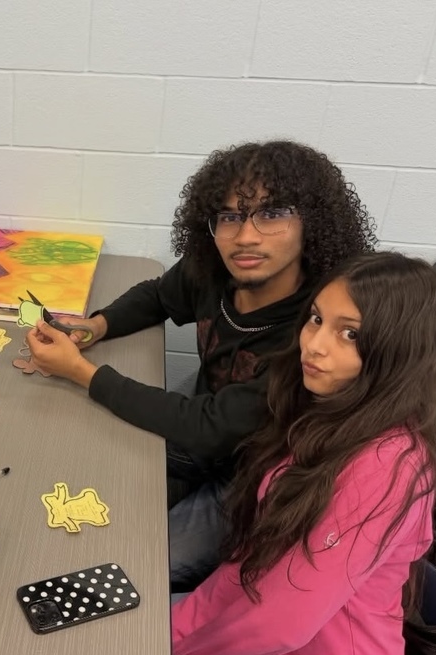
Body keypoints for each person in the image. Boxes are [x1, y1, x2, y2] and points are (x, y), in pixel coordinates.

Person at [55, 252, 436, 655]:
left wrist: (166, 641)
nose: (315, 345)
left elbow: (279, 619)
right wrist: (172, 622)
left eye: (348, 333)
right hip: (278, 643)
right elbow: (253, 562)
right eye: (316, 320)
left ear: (397, 350)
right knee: (100, 628)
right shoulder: (327, 408)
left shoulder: (385, 466)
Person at [26, 140, 377, 586]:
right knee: (85, 485)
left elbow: (208, 426)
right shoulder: (215, 267)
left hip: (252, 480)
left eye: (271, 214)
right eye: (230, 216)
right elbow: (157, 295)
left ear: (312, 223)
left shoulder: (315, 328)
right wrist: (96, 327)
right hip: (204, 430)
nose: (246, 236)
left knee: (128, 569)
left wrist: (79, 371)